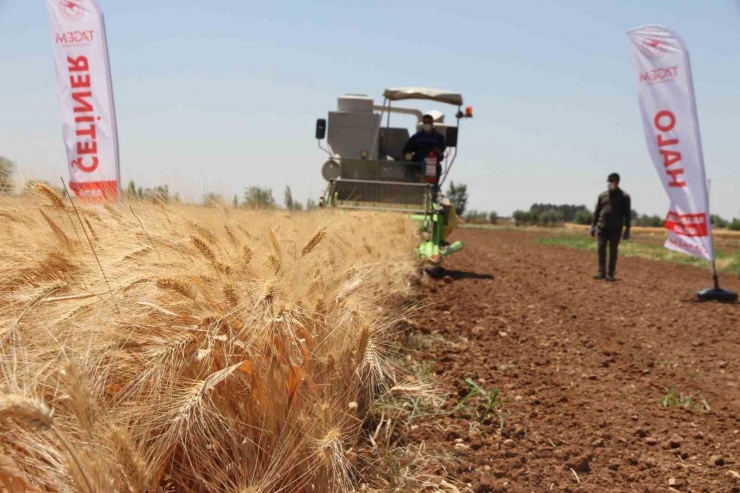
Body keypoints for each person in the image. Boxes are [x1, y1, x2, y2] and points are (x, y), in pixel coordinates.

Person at [590, 173, 631, 281]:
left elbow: (627, 214)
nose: (609, 183)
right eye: (608, 181)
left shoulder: (624, 197)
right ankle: (601, 272)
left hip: (616, 228)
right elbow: (597, 211)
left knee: (613, 250)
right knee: (601, 247)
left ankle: (610, 274)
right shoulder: (602, 195)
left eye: (612, 181)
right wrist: (593, 226)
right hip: (602, 227)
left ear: (617, 182)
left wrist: (627, 229)